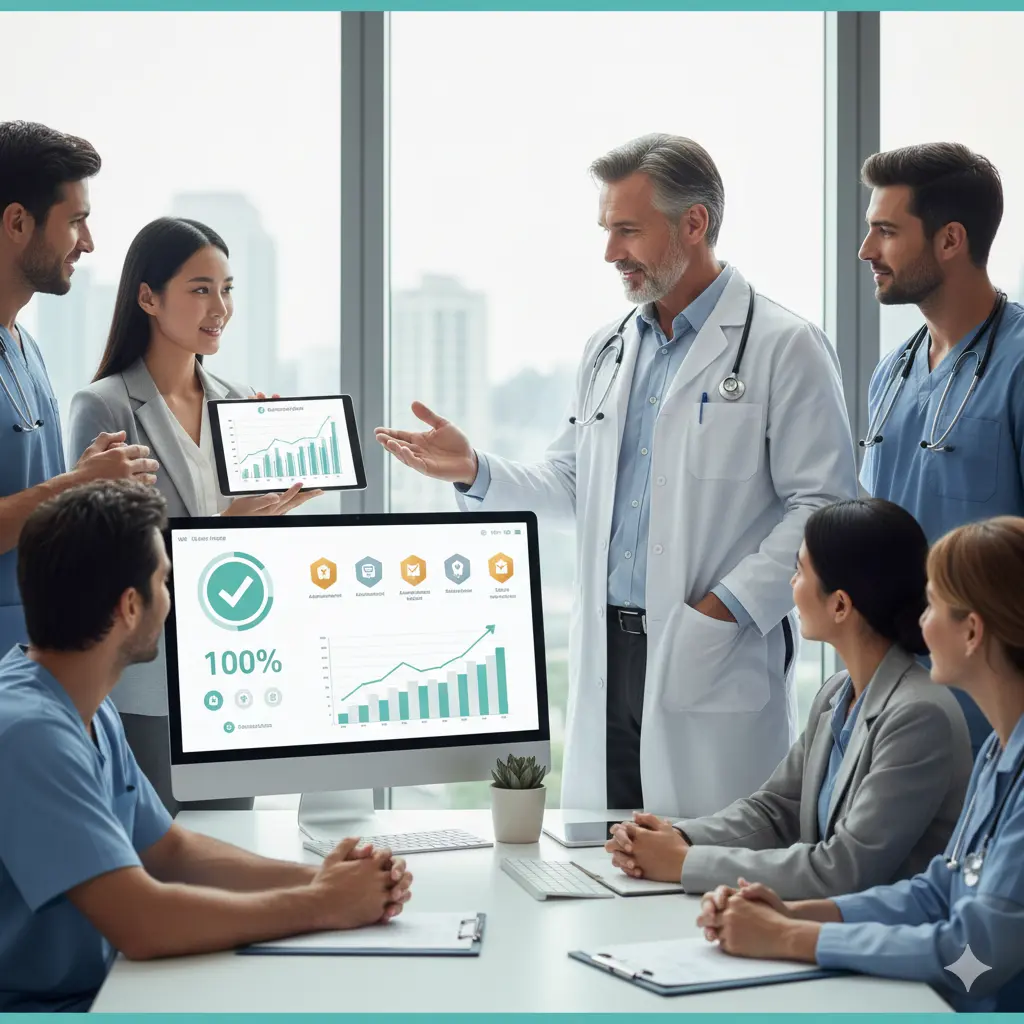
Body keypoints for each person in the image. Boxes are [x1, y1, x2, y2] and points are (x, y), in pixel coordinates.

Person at [375, 133, 858, 817]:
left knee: (706, 878)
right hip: (608, 656)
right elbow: (575, 484)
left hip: (708, 651)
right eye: (607, 230)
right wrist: (476, 468)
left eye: (627, 230)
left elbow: (825, 505)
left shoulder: (785, 345)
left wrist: (721, 611)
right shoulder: (607, 349)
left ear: (693, 224)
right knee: (604, 860)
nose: (610, 253)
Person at [0, 481, 412, 1013]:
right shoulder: (30, 736)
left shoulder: (83, 702)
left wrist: (332, 880)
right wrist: (320, 903)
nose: (171, 598)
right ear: (130, 606)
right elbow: (141, 922)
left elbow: (171, 851)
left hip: (103, 992)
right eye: (164, 580)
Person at [695, 516, 1024, 1013]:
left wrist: (793, 939)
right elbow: (937, 894)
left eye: (933, 605)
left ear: (972, 631)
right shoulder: (1000, 754)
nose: (921, 622)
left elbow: (973, 958)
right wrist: (795, 914)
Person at [67, 217, 323, 815]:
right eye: (201, 288)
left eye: (227, 289)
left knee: (231, 841)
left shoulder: (237, 403)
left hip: (235, 675)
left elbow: (249, 552)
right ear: (149, 297)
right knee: (159, 855)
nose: (220, 307)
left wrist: (273, 511)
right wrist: (228, 522)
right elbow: (104, 562)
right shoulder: (104, 405)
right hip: (148, 680)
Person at [603, 498, 972, 899]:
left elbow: (842, 869)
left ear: (840, 604)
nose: (791, 585)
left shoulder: (918, 715)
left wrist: (682, 863)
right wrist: (676, 837)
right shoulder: (837, 693)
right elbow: (776, 810)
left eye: (798, 572)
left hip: (880, 947)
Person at [858, 142, 1024, 758]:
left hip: (991, 708)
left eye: (885, 231)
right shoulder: (890, 376)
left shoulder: (1019, 368)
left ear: (950, 240)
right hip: (891, 701)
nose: (866, 250)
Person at [0, 120, 159, 655]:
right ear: (18, 221)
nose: (87, 243)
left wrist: (85, 482)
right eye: (76, 222)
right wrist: (74, 485)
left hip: (32, 659)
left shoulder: (27, 348)